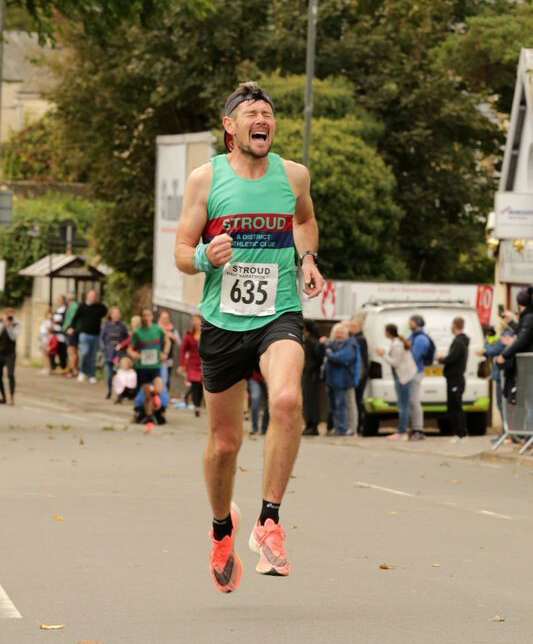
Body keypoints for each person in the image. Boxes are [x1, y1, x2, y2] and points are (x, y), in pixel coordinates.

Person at [174, 80, 324, 592]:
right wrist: (202, 257)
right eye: (252, 112)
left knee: (285, 399)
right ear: (230, 127)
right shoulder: (205, 180)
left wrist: (306, 258)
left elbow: (305, 221)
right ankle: (222, 529)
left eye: (269, 112)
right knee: (224, 443)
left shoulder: (293, 175)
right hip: (221, 321)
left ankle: (270, 521)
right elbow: (181, 250)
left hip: (277, 312)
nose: (263, 118)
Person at [127, 308, 170, 429]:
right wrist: (134, 354)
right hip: (142, 367)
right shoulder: (138, 333)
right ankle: (149, 417)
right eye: (144, 315)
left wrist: (164, 353)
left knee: (158, 390)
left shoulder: (157, 329)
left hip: (155, 365)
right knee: (147, 395)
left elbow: (167, 341)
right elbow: (129, 348)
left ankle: (154, 398)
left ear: (152, 316)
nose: (146, 318)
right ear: (141, 317)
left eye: (148, 315)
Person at [376, 324, 417, 440]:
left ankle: (402, 432)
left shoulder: (397, 345)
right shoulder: (397, 342)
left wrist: (382, 355)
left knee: (403, 405)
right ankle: (402, 431)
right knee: (402, 405)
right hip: (403, 376)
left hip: (403, 377)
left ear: (388, 332)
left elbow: (395, 363)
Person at [437, 317, 469, 443]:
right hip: (455, 378)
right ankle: (459, 433)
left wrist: (441, 359)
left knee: (455, 406)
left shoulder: (458, 342)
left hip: (455, 378)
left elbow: (452, 358)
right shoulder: (461, 341)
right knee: (454, 406)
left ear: (455, 325)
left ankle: (460, 433)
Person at [324, 323, 358, 436]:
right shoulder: (332, 344)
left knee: (342, 405)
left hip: (343, 380)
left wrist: (329, 353)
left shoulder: (350, 344)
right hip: (331, 380)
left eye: (342, 332)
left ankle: (343, 429)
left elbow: (341, 358)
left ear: (346, 333)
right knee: (334, 406)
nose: (339, 334)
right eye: (337, 332)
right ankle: (338, 427)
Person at [69, 289, 107, 383]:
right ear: (87, 296)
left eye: (94, 296)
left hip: (96, 335)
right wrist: (71, 327)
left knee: (93, 356)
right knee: (84, 353)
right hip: (84, 334)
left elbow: (106, 313)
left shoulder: (100, 307)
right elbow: (75, 318)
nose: (93, 297)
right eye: (91, 295)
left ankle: (91, 374)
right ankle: (82, 372)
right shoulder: (82, 307)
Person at [407, 315, 433, 441]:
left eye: (410, 322)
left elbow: (414, 356)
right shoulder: (413, 337)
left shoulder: (420, 338)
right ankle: (415, 428)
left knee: (414, 400)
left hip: (416, 372)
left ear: (416, 323)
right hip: (412, 372)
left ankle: (419, 429)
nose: (409, 324)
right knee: (412, 401)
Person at [301, 320, 324, 436]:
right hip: (310, 373)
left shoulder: (310, 341)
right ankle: (310, 424)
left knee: (311, 401)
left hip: (311, 374)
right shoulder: (310, 341)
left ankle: (312, 425)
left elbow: (317, 359)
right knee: (309, 400)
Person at [100, 307, 129, 399]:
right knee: (109, 375)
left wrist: (122, 346)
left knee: (119, 375)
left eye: (118, 313)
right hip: (109, 353)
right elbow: (101, 338)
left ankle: (119, 394)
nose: (116, 315)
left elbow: (127, 339)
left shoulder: (122, 326)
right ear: (111, 315)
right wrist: (103, 347)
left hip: (119, 355)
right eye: (114, 313)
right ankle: (109, 390)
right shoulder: (106, 325)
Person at [178, 315, 203, 417]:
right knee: (194, 384)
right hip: (192, 363)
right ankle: (196, 405)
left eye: (196, 320)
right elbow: (183, 349)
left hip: (203, 364)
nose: (194, 322)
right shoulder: (189, 334)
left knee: (201, 385)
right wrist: (182, 363)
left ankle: (196, 402)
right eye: (193, 320)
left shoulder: (206, 333)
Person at [348, 316, 368, 434]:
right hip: (358, 373)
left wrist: (361, 374)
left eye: (354, 326)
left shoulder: (359, 339)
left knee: (357, 400)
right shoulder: (354, 338)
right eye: (350, 326)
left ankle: (359, 425)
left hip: (360, 374)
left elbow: (361, 360)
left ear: (360, 327)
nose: (351, 328)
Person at [0, 309, 21, 405]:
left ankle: (11, 397)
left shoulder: (16, 325)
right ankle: (3, 396)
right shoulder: (1, 324)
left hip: (10, 354)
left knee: (10, 375)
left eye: (11, 316)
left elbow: (13, 337)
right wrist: (4, 324)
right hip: (0, 353)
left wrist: (9, 326)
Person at [157, 310, 181, 391]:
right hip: (156, 357)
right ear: (159, 318)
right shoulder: (156, 328)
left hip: (168, 357)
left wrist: (172, 335)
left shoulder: (172, 328)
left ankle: (165, 395)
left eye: (167, 318)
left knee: (167, 376)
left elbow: (179, 342)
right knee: (157, 376)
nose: (165, 320)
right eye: (163, 318)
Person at [62, 291, 80, 377]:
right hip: (72, 331)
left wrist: (67, 328)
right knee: (74, 351)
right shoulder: (74, 305)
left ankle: (73, 370)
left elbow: (71, 319)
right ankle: (74, 369)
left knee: (71, 351)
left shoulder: (73, 306)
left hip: (71, 331)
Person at [248, 369, 269, 435]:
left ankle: (264, 428)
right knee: (255, 399)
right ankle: (255, 428)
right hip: (254, 378)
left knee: (270, 401)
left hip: (268, 378)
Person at [51, 295, 68, 372]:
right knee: (54, 349)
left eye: (60, 300)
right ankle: (53, 366)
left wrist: (57, 322)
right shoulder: (57, 309)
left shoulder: (66, 310)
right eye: (58, 300)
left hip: (61, 333)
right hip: (55, 332)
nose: (59, 301)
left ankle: (63, 366)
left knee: (62, 350)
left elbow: (65, 321)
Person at [38, 309, 53, 375]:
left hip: (46, 340)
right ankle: (45, 368)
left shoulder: (49, 322)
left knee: (47, 355)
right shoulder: (46, 321)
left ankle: (48, 369)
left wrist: (47, 341)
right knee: (45, 355)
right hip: (43, 339)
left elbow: (48, 331)